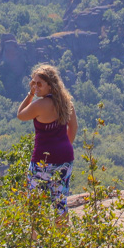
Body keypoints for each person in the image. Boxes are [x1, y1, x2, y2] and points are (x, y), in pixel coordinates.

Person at [16, 63, 78, 215]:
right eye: (33, 83)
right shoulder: (66, 102)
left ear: (50, 86)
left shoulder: (39, 105)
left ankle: (35, 238)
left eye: (39, 84)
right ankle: (62, 238)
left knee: (36, 207)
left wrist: (30, 94)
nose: (36, 87)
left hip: (41, 162)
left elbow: (20, 115)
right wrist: (63, 148)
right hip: (65, 158)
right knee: (60, 205)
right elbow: (74, 128)